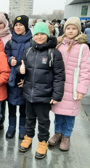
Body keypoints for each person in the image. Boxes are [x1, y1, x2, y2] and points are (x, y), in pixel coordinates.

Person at [18, 22, 65, 159]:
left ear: (48, 34)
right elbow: (23, 69)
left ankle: (43, 142)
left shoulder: (54, 53)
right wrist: (19, 71)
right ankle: (28, 137)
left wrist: (56, 95)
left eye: (42, 34)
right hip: (29, 94)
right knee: (29, 118)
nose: (39, 37)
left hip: (44, 95)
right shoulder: (28, 51)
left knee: (44, 121)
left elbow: (59, 76)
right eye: (36, 34)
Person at [49, 17, 90, 151]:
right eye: (68, 28)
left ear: (78, 30)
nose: (70, 31)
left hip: (73, 88)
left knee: (69, 114)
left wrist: (81, 90)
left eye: (73, 28)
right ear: (64, 29)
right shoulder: (59, 45)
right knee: (58, 112)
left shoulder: (83, 47)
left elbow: (85, 70)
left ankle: (66, 136)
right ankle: (57, 133)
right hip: (59, 86)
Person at [5, 15, 32, 140]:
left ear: (26, 26)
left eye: (21, 25)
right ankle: (11, 126)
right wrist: (10, 60)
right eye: (16, 25)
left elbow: (34, 61)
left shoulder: (32, 42)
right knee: (11, 104)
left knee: (23, 106)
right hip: (12, 78)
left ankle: (22, 127)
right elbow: (6, 55)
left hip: (25, 79)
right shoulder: (10, 42)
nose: (18, 27)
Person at [0, 12, 12, 129]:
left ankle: (1, 121)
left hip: (6, 70)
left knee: (4, 97)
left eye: (1, 23)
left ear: (5, 24)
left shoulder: (10, 37)